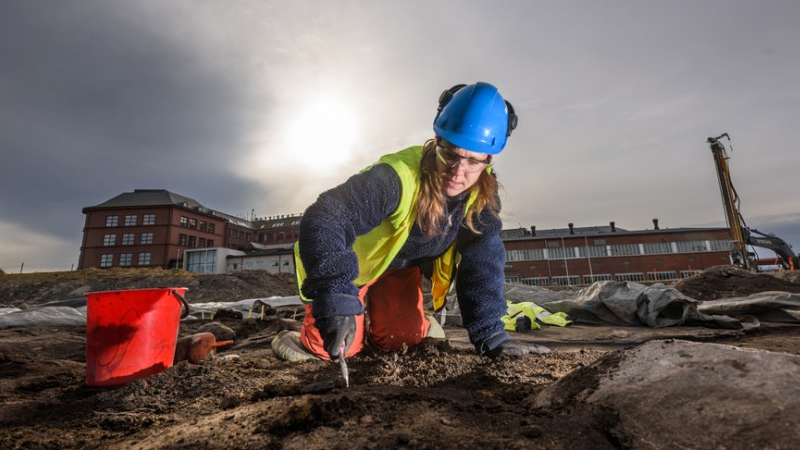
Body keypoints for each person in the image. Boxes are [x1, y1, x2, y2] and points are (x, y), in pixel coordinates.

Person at [273, 81, 539, 363]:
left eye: (473, 161)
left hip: (399, 270)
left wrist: (491, 336)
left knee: (401, 342)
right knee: (334, 348)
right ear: (437, 140)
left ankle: (405, 323)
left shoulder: (482, 195)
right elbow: (324, 218)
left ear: (489, 158)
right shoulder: (396, 177)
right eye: (450, 154)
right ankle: (298, 333)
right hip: (347, 267)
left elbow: (482, 263)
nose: (457, 172)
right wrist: (335, 295)